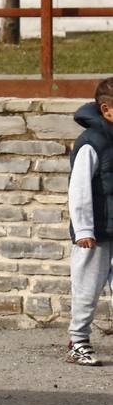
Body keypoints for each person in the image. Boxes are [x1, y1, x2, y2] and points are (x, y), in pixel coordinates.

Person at [64, 77, 113, 366]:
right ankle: (78, 341)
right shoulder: (90, 144)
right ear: (106, 110)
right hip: (93, 233)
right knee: (86, 288)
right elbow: (79, 188)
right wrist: (83, 229)